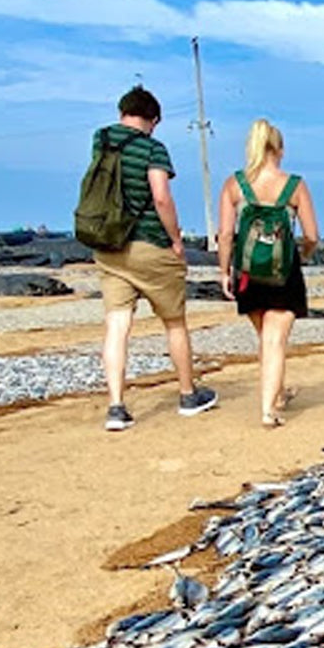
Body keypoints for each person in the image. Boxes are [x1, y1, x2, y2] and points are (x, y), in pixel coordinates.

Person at [91, 86, 217, 431]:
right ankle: (188, 395)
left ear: (122, 112)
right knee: (174, 322)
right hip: (148, 245)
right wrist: (176, 241)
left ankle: (116, 407)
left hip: (108, 246)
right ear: (154, 119)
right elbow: (161, 197)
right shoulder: (152, 148)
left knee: (117, 325)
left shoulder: (100, 141)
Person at [217, 119, 319, 428]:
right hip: (282, 272)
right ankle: (268, 410)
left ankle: (278, 393)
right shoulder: (295, 185)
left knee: (266, 337)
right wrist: (303, 254)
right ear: (280, 150)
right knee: (275, 340)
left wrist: (224, 271)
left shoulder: (235, 185)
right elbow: (312, 235)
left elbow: (225, 234)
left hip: (248, 273)